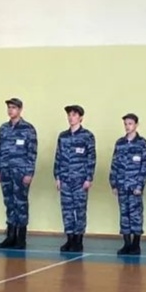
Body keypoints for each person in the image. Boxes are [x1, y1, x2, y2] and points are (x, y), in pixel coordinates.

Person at [0, 98, 38, 250]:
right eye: (9, 107)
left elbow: (32, 153)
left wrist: (29, 172)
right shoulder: (3, 128)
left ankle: (21, 237)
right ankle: (10, 236)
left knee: (21, 203)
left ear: (20, 110)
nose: (10, 110)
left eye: (13, 107)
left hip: (21, 172)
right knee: (9, 203)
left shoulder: (28, 129)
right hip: (5, 171)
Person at [54, 105, 97, 253]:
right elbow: (58, 157)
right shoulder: (63, 136)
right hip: (65, 179)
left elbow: (91, 158)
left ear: (80, 118)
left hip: (80, 180)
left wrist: (89, 178)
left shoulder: (87, 136)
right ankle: (70, 238)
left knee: (80, 210)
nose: (71, 118)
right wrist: (57, 176)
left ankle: (78, 240)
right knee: (66, 210)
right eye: (69, 115)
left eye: (74, 115)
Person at [109, 113, 146, 256]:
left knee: (136, 215)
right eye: (125, 124)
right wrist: (113, 184)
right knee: (124, 215)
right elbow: (114, 164)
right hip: (121, 185)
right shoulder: (120, 143)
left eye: (130, 124)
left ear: (136, 125)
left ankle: (136, 244)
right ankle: (126, 244)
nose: (127, 126)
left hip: (134, 187)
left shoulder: (142, 144)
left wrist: (140, 186)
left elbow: (145, 167)